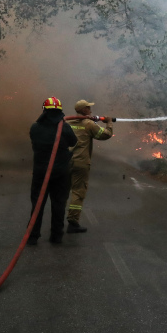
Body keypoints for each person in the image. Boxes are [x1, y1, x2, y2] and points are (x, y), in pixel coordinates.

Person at [28, 97, 78, 245]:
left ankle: (32, 236)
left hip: (40, 172)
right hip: (61, 173)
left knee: (37, 204)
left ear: (44, 110)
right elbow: (73, 142)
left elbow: (34, 141)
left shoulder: (35, 127)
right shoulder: (65, 127)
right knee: (59, 204)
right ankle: (56, 236)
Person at [66, 99, 113, 233]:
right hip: (80, 163)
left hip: (66, 162)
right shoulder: (88, 124)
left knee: (63, 191)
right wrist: (109, 122)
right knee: (78, 191)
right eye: (88, 107)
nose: (90, 109)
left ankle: (56, 222)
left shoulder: (68, 123)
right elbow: (105, 135)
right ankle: (73, 222)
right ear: (83, 110)